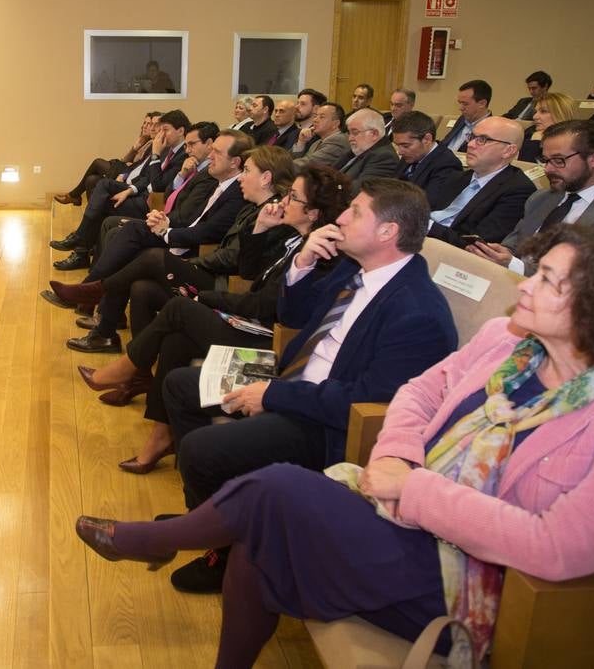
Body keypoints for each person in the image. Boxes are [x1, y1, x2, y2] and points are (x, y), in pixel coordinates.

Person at [75, 224, 594, 668]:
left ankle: (157, 542)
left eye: (546, 280)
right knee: (263, 534)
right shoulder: (505, 340)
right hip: (403, 517)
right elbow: (416, 394)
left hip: (485, 584)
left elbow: (559, 547)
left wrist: (416, 489)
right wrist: (396, 458)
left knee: (280, 490)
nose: (523, 285)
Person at [158, 179, 457, 593]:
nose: (339, 218)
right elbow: (293, 314)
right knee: (179, 385)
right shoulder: (356, 268)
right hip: (291, 380)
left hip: (325, 421)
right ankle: (213, 517)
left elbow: (366, 400)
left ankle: (223, 550)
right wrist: (302, 263)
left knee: (201, 449)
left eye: (354, 212)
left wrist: (274, 395)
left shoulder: (418, 313)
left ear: (388, 232)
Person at [77, 165, 352, 464]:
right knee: (175, 342)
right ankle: (161, 434)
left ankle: (129, 366)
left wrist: (204, 297)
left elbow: (264, 305)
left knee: (180, 306)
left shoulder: (322, 256)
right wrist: (259, 228)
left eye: (293, 197)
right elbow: (249, 274)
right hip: (252, 323)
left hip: (270, 342)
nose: (284, 200)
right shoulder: (292, 237)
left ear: (312, 213)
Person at [49, 146, 295, 355]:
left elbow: (236, 260)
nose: (242, 177)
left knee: (148, 253)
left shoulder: (270, 214)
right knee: (141, 285)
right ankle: (131, 356)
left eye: (247, 171)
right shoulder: (254, 206)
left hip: (226, 283)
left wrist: (195, 260)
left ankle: (94, 290)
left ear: (266, 178)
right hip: (210, 264)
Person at [469, 120, 594, 274]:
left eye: (558, 161)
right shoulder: (541, 198)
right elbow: (513, 243)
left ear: (593, 158)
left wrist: (516, 266)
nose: (548, 169)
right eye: (545, 160)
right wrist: (495, 253)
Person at [49, 110, 190, 269]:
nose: (160, 133)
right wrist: (130, 189)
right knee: (101, 185)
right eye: (160, 128)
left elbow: (157, 184)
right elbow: (145, 175)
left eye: (165, 129)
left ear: (180, 131)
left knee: (101, 199)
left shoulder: (179, 154)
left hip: (152, 203)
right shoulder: (169, 150)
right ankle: (83, 249)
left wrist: (156, 155)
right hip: (140, 190)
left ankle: (81, 245)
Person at [427, 117, 535, 248]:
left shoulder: (518, 190)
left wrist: (427, 227)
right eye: (471, 137)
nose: (470, 144)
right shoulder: (459, 177)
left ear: (508, 151)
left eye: (482, 140)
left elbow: (477, 244)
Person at [54, 112, 160, 206]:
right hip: (124, 170)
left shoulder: (152, 143)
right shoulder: (143, 140)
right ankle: (92, 219)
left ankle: (74, 195)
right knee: (91, 179)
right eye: (145, 123)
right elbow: (124, 159)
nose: (146, 126)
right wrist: (134, 148)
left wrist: (128, 166)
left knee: (97, 162)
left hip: (127, 175)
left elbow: (137, 167)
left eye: (149, 124)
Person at [392, 110, 464, 210]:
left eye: (405, 145)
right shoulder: (411, 155)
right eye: (398, 145)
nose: (400, 151)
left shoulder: (447, 164)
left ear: (427, 139)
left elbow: (427, 204)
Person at [337, 109, 399, 189]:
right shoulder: (357, 151)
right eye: (349, 133)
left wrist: (330, 188)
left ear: (374, 134)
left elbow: (359, 190)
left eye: (355, 132)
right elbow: (330, 173)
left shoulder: (384, 157)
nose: (350, 138)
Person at [518, 92, 576, 163]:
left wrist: (535, 142)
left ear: (561, 114)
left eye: (543, 111)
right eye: (536, 111)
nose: (534, 117)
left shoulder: (575, 143)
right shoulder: (530, 132)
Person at [437, 80, 493, 151]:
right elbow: (445, 143)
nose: (460, 108)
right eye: (459, 103)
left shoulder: (492, 129)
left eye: (465, 104)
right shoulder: (462, 119)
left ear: (482, 103)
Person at [298, 103, 350, 168]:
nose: (315, 120)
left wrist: (284, 166)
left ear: (335, 124)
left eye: (322, 117)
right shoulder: (317, 142)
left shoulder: (338, 141)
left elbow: (309, 164)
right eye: (315, 116)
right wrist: (301, 142)